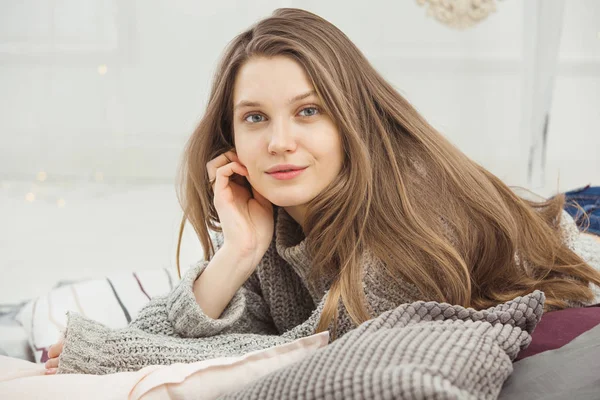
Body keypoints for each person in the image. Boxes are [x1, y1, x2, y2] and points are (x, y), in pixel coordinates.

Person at [45, 8, 600, 375]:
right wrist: (235, 256)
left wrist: (104, 353)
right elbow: (188, 329)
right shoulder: (279, 219)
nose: (280, 142)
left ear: (350, 120)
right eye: (255, 117)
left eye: (308, 111)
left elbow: (300, 354)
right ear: (230, 138)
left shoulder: (404, 217)